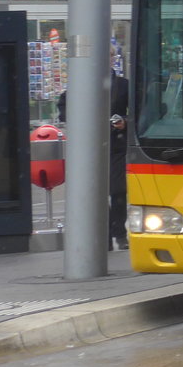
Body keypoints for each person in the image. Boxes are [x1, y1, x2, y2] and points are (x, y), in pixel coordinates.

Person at [58, 45, 130, 249]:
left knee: (117, 191)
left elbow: (138, 111)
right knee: (97, 191)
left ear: (112, 59)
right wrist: (79, 119)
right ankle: (105, 235)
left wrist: (124, 121)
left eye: (108, 57)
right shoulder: (83, 84)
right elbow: (63, 108)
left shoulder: (123, 85)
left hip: (116, 144)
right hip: (91, 147)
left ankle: (119, 233)